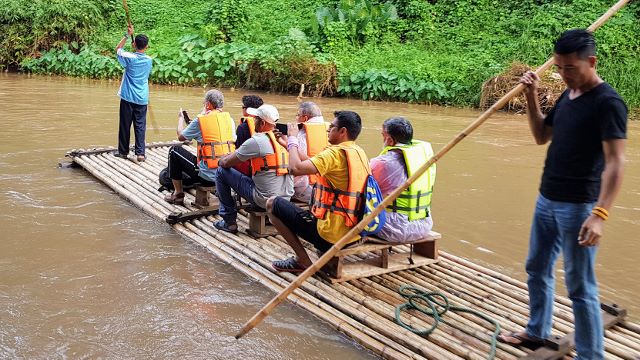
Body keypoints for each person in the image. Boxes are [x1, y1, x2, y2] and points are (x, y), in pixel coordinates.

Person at [498, 29, 627, 359]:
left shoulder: (607, 103)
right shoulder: (567, 98)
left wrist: (600, 215)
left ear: (591, 62)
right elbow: (542, 135)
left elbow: (616, 162)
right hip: (547, 199)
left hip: (580, 207)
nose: (565, 74)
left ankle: (590, 355)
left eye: (571, 68)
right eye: (559, 67)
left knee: (580, 287)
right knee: (536, 267)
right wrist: (531, 95)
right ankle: (537, 331)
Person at [267, 111, 370, 272]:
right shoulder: (358, 152)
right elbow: (310, 163)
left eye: (332, 127)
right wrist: (288, 144)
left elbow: (295, 168)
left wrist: (293, 138)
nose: (328, 130)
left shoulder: (334, 154)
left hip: (331, 236)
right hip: (354, 232)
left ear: (342, 131)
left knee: (272, 204)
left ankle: (302, 260)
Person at [214, 104, 294, 234]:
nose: (253, 120)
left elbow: (226, 163)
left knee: (221, 172)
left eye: (255, 118)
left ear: (262, 122)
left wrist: (221, 159)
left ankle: (229, 221)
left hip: (265, 199)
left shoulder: (257, 141)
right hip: (286, 198)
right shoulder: (285, 140)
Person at [163, 89, 236, 205]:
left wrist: (181, 119)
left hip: (207, 177)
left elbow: (181, 137)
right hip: (226, 173)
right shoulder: (229, 120)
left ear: (207, 104)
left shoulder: (201, 120)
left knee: (174, 151)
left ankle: (178, 194)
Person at [370, 117, 435, 242]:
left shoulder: (382, 162)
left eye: (383, 135)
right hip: (423, 225)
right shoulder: (425, 157)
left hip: (393, 229)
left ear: (389, 140)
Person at [274, 101, 329, 203]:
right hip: (324, 187)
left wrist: (287, 141)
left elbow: (298, 162)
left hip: (308, 189)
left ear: (305, 118)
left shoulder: (303, 133)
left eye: (297, 115)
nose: (296, 118)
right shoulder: (329, 129)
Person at [115, 24, 153, 162]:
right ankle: (140, 153)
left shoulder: (129, 58)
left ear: (134, 44)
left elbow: (118, 49)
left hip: (128, 97)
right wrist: (134, 47)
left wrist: (127, 34)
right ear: (146, 47)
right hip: (142, 98)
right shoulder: (149, 60)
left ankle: (123, 152)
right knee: (140, 125)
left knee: (125, 124)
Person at [234, 95, 264, 176]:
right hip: (263, 168)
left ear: (248, 110)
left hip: (248, 170)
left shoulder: (243, 127)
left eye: (243, 107)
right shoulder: (267, 125)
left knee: (222, 168)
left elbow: (238, 152)